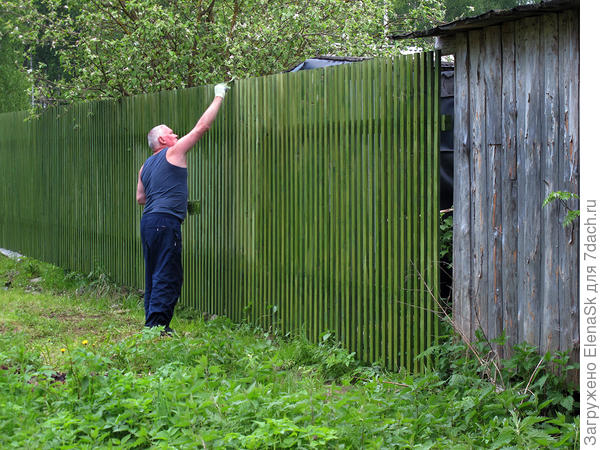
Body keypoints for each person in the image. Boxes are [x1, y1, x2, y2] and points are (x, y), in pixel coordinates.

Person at [136, 83, 230, 333]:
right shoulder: (173, 151)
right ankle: (158, 329)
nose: (176, 135)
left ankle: (151, 326)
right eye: (172, 133)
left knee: (153, 273)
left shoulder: (145, 166)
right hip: (165, 223)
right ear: (161, 139)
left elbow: (141, 198)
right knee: (168, 274)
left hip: (148, 222)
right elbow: (202, 127)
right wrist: (219, 96)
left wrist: (171, 196)